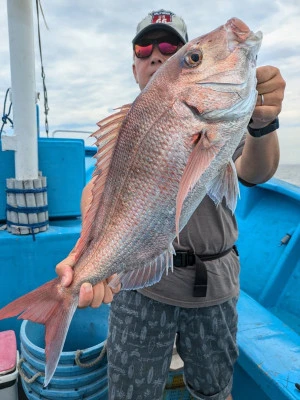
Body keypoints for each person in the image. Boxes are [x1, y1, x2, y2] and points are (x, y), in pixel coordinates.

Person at [56, 9, 286, 400]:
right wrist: (87, 253)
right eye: (144, 49)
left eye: (174, 50)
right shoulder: (128, 127)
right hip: (141, 287)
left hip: (215, 285)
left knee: (213, 392)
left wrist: (262, 123)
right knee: (131, 394)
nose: (156, 56)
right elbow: (97, 189)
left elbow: (253, 174)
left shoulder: (220, 114)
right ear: (134, 67)